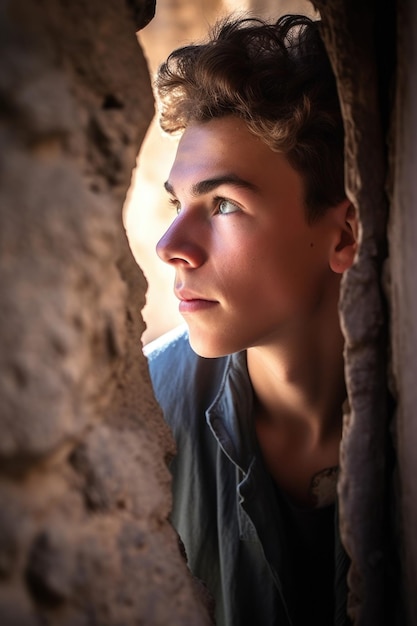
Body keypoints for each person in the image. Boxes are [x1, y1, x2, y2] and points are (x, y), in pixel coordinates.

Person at [144, 14, 357, 626]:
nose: (170, 244)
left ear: (343, 233)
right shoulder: (147, 417)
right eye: (178, 202)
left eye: (225, 204)